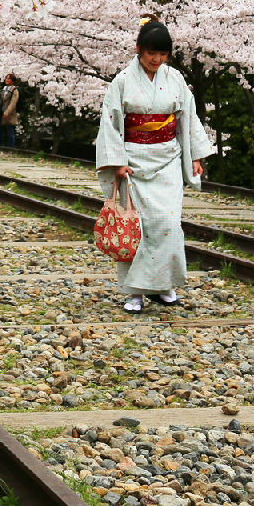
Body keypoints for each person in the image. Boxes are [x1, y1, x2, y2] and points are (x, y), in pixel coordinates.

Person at [94, 17, 214, 314]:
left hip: (169, 158)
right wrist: (117, 162)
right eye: (151, 54)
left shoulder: (174, 80)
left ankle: (163, 284)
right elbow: (110, 124)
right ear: (138, 50)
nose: (156, 60)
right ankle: (134, 291)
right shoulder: (122, 81)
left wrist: (195, 156)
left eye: (162, 54)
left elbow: (188, 118)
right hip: (133, 161)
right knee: (136, 227)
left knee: (168, 223)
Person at [0, 74, 20, 148]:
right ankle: (1, 146)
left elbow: (13, 103)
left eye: (9, 79)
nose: (6, 80)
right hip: (2, 111)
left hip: (10, 113)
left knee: (10, 131)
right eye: (6, 78)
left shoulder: (15, 90)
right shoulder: (4, 89)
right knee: (0, 130)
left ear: (13, 81)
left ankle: (10, 147)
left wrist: (7, 112)